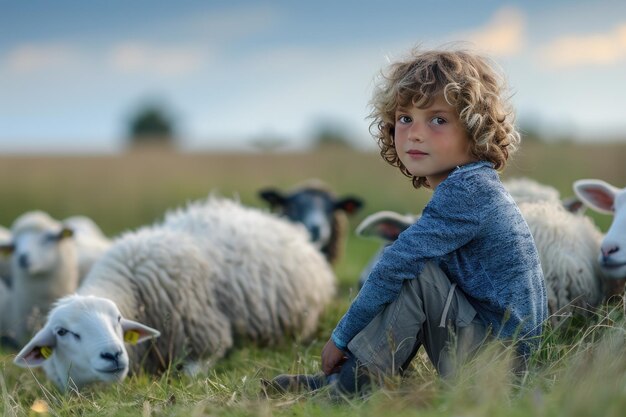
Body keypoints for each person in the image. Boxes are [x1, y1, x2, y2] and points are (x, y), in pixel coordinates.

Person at [266, 47, 547, 396]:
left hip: (497, 368)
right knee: (417, 267)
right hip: (499, 354)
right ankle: (348, 379)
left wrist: (340, 337)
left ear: (476, 131)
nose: (415, 133)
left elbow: (395, 265)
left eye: (438, 120)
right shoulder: (475, 184)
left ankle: (347, 388)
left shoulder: (467, 193)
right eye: (405, 118)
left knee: (413, 271)